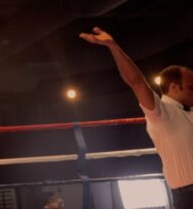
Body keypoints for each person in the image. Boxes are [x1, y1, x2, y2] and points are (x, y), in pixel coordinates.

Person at [80, 27, 193, 208]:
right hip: (188, 194)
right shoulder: (161, 112)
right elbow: (136, 82)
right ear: (174, 87)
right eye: (191, 87)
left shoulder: (189, 111)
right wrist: (113, 46)